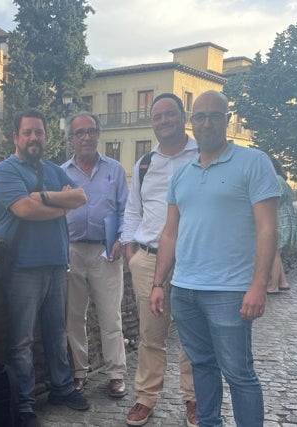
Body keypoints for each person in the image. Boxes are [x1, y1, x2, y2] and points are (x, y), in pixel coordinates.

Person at [150, 91, 279, 427]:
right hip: (185, 289)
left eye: (214, 116)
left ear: (227, 119)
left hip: (231, 290)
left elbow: (267, 229)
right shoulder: (182, 173)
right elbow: (170, 233)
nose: (206, 123)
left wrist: (259, 285)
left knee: (239, 372)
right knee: (202, 366)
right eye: (200, 116)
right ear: (192, 121)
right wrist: (158, 283)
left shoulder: (253, 162)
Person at [0, 109, 88, 427]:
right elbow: (25, 209)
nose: (34, 137)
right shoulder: (5, 171)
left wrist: (46, 196)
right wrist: (60, 207)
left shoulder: (53, 170)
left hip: (56, 264)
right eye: (28, 132)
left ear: (46, 136)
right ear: (16, 137)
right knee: (21, 341)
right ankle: (25, 403)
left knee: (56, 333)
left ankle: (61, 388)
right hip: (22, 268)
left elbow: (81, 196)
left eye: (39, 132)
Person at [121, 93, 198, 426]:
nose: (164, 121)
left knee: (194, 335)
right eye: (157, 116)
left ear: (183, 117)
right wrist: (130, 248)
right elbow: (133, 209)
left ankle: (194, 398)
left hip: (194, 259)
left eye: (170, 114)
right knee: (151, 336)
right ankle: (145, 397)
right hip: (149, 257)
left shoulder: (202, 155)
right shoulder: (144, 163)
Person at [61, 112, 128, 399]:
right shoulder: (60, 173)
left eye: (91, 131)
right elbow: (52, 212)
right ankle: (79, 372)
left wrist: (122, 239)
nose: (86, 137)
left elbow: (128, 211)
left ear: (98, 135)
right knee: (73, 317)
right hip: (72, 250)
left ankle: (116, 373)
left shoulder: (115, 170)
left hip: (106, 249)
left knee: (110, 315)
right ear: (71, 139)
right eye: (80, 133)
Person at [267, 157, 297, 294]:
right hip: (287, 219)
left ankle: (274, 286)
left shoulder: (275, 180)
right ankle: (283, 282)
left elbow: (275, 200)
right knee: (277, 253)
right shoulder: (282, 179)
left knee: (274, 253)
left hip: (280, 219)